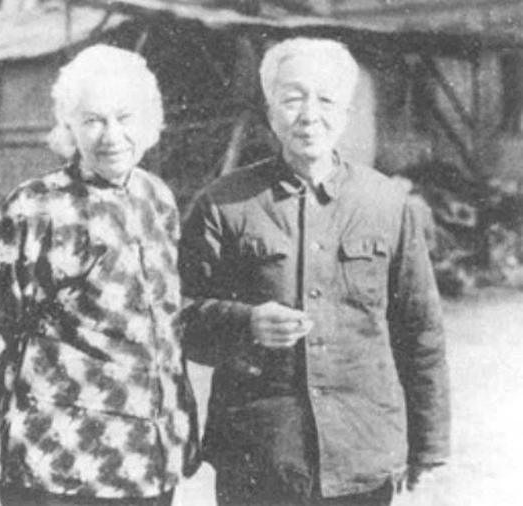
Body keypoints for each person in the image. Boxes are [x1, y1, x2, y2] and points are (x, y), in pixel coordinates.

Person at [179, 38, 449, 506]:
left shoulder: (386, 203)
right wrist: (245, 323)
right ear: (270, 111)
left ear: (345, 112)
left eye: (325, 99)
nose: (309, 115)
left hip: (361, 454)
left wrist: (428, 445)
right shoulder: (223, 204)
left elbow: (420, 331)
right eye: (292, 98)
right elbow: (178, 320)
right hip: (258, 455)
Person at [0, 44, 200, 506]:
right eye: (93, 120)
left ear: (149, 121)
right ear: (69, 127)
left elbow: (168, 331)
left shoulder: (158, 199)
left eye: (125, 118)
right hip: (58, 466)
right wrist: (30, 418)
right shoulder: (36, 206)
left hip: (147, 463)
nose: (112, 136)